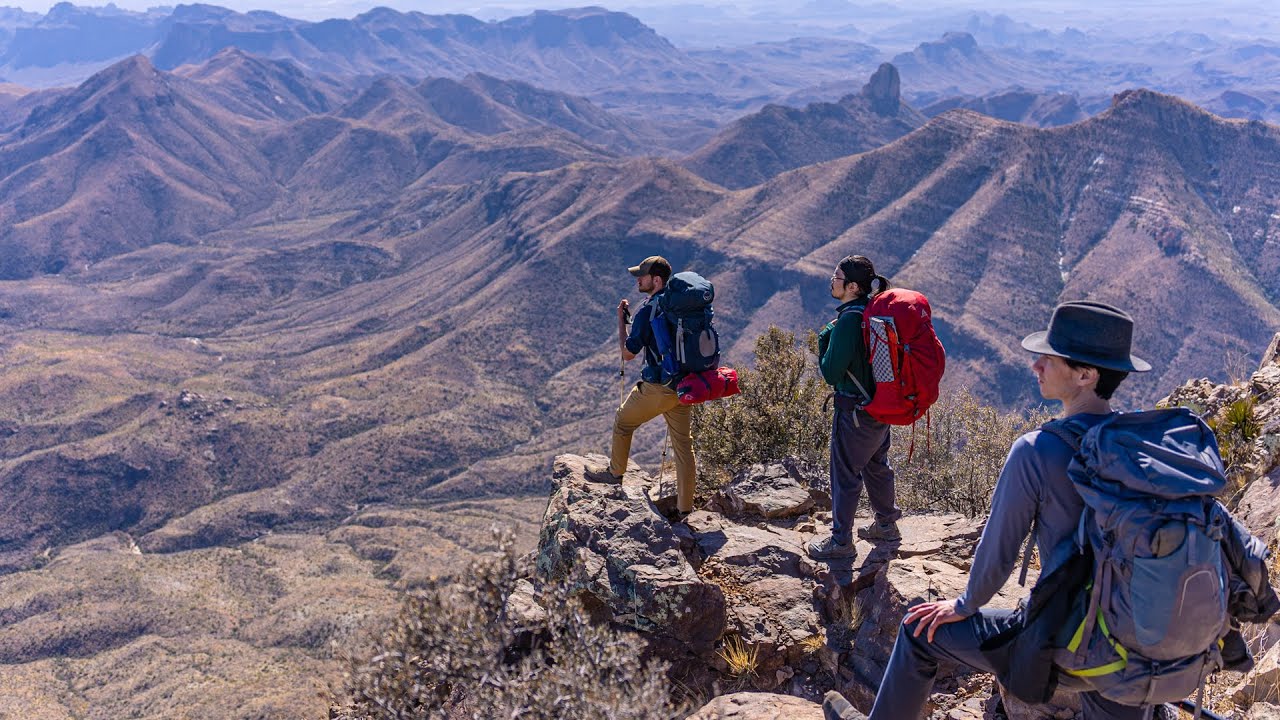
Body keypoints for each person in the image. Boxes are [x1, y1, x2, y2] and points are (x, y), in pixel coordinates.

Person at [822, 301, 1155, 720]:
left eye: (1048, 359)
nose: (1036, 366)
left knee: (917, 631)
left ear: (1086, 375)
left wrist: (962, 606)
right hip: (1143, 641)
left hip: (1071, 639)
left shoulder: (1038, 451)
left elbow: (997, 556)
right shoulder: (1142, 444)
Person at [807, 255, 902, 561]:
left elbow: (832, 373)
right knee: (877, 466)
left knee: (845, 473)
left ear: (850, 286)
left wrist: (824, 337)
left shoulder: (849, 320)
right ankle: (886, 524)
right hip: (877, 407)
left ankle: (840, 542)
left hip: (853, 412)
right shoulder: (868, 311)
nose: (830, 281)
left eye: (835, 277)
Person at [586, 255, 696, 518]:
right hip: (684, 386)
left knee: (623, 422)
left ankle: (615, 474)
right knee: (683, 446)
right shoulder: (679, 305)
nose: (638, 280)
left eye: (642, 276)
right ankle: (685, 509)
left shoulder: (649, 309)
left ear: (656, 280)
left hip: (658, 387)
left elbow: (628, 354)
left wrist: (620, 323)